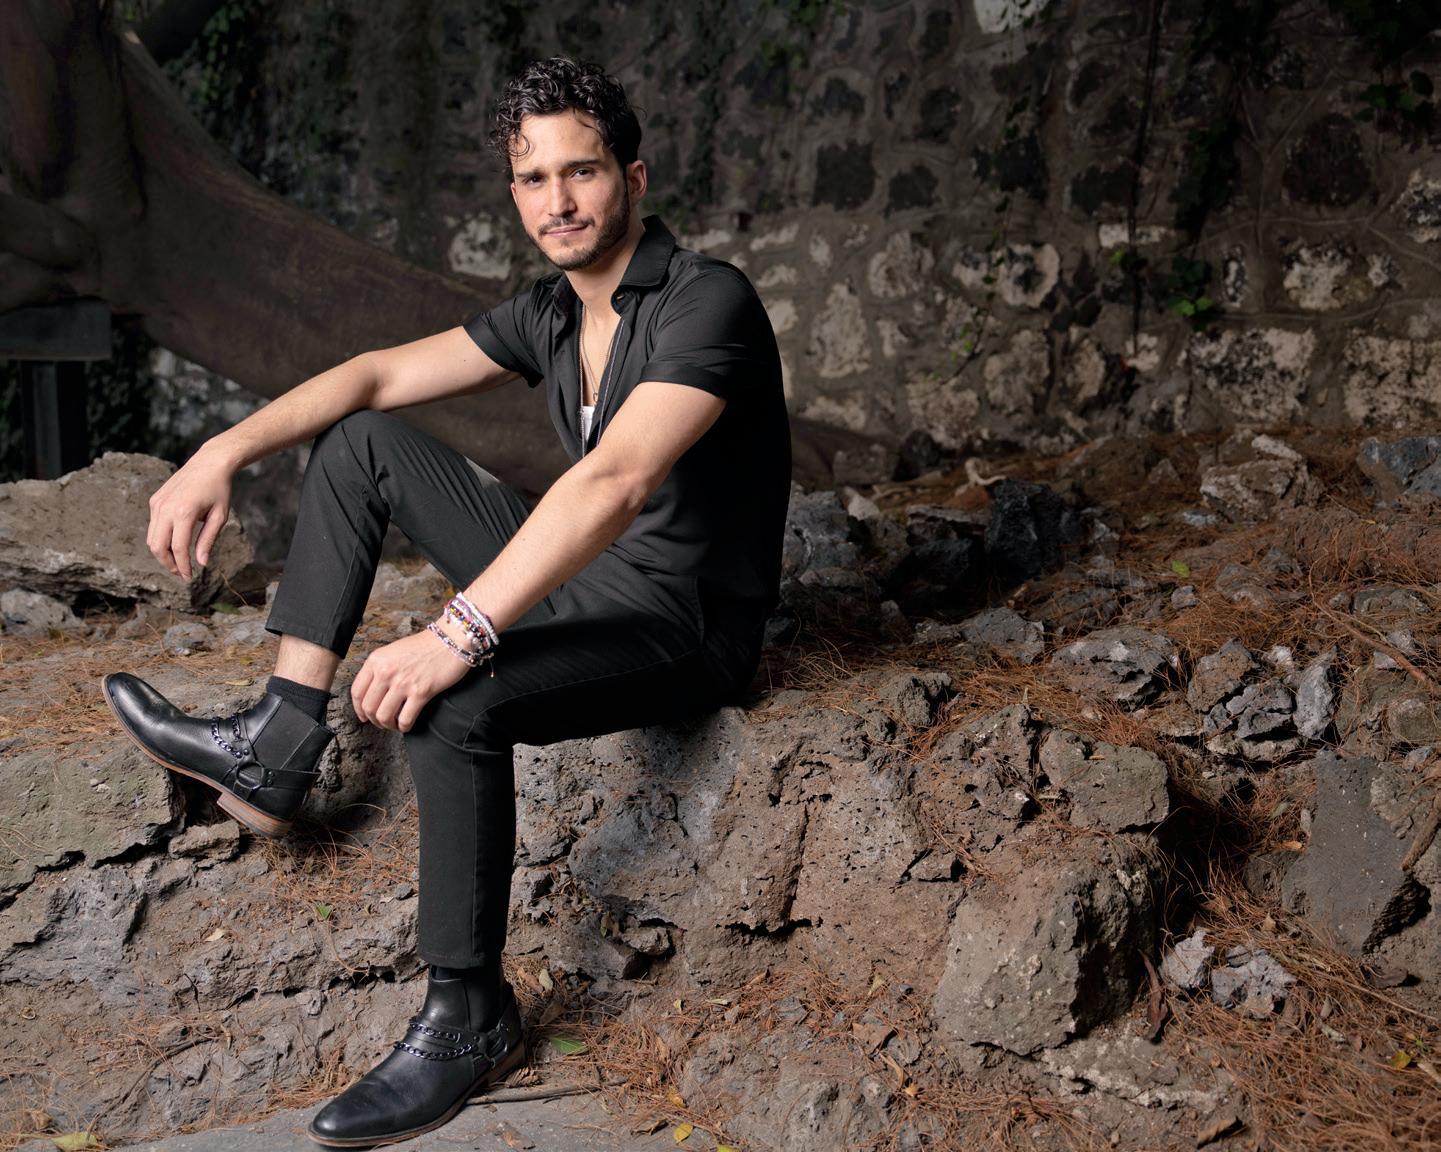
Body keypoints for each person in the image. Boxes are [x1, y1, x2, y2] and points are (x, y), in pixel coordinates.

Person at [102, 56, 790, 1148]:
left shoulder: (708, 300)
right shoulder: (551, 314)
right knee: (363, 441)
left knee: (456, 701)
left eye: (582, 172)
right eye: (533, 180)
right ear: (514, 193)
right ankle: (277, 743)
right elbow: (373, 376)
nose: (558, 202)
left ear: (633, 178)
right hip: (583, 579)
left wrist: (457, 632)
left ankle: (469, 1014)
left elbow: (615, 482)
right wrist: (220, 452)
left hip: (682, 623)